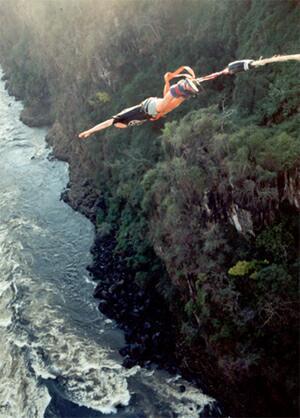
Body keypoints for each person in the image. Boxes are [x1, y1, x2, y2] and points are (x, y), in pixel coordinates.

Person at [78, 66, 200, 139]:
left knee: (164, 105)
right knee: (170, 105)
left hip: (148, 107)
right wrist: (167, 82)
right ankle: (187, 91)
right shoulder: (131, 122)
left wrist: (90, 131)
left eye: (118, 126)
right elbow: (163, 99)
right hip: (151, 108)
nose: (119, 127)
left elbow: (106, 123)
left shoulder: (122, 118)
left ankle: (181, 86)